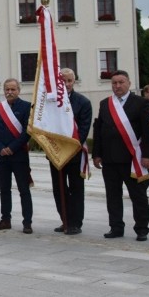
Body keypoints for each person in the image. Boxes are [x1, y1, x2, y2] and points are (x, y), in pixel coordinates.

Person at [92, 70, 149, 241]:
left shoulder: (140, 103)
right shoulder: (105, 104)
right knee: (112, 195)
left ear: (129, 84)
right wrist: (96, 154)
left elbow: (148, 131)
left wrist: (147, 155)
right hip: (110, 159)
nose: (117, 86)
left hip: (132, 159)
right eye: (114, 83)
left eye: (121, 82)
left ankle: (141, 228)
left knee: (138, 195)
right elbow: (99, 130)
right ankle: (116, 227)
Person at [50, 68, 92, 235]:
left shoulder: (83, 102)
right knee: (58, 189)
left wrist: (69, 148)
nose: (66, 84)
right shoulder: (51, 102)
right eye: (62, 81)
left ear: (74, 81)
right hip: (55, 153)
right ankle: (65, 219)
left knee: (75, 189)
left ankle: (75, 222)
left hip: (74, 154)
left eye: (69, 81)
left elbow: (83, 130)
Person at [0, 78, 33, 234]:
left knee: (24, 190)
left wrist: (12, 148)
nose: (10, 92)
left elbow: (27, 132)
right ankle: (5, 219)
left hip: (19, 155)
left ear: (19, 90)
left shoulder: (27, 107)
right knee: (4, 189)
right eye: (7, 89)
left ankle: (27, 222)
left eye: (13, 89)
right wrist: (1, 148)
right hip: (2, 156)